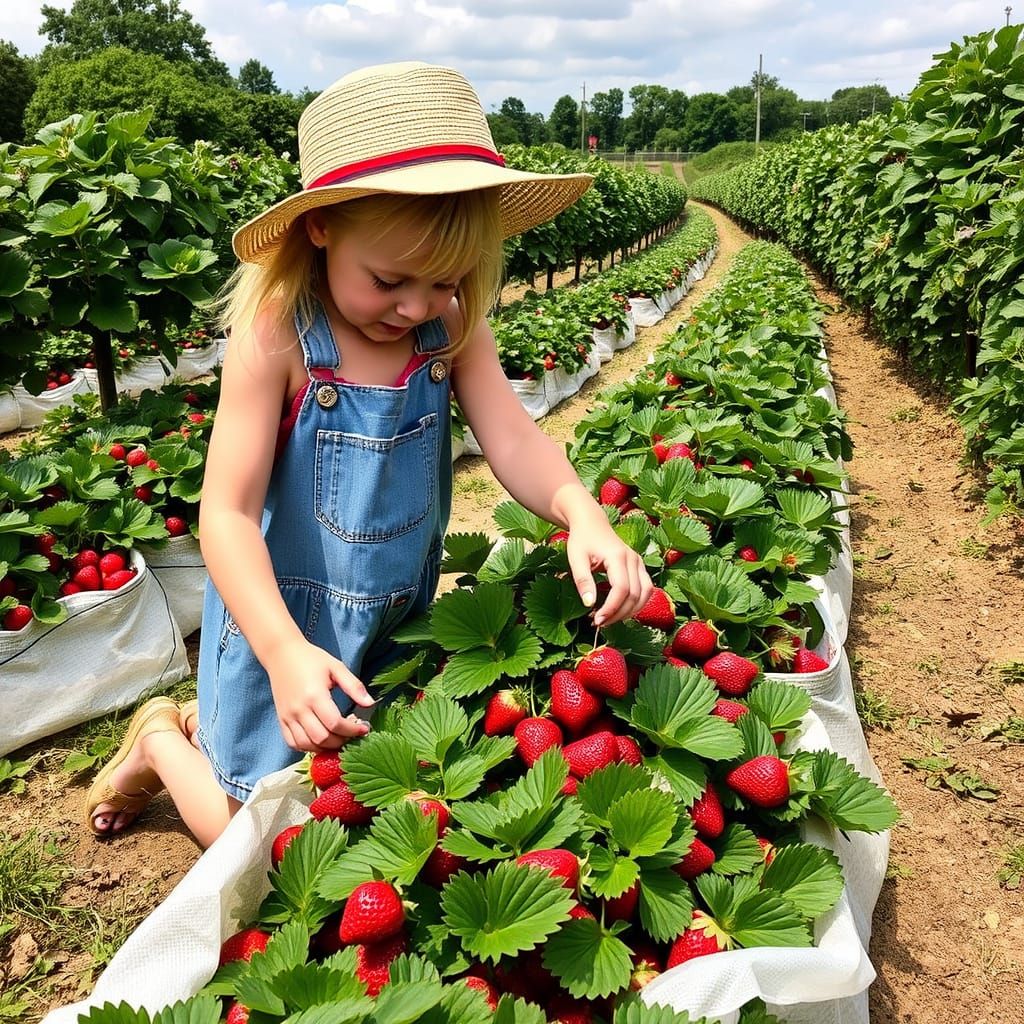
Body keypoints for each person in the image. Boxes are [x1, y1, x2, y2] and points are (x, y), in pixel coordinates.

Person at [85, 62, 653, 846]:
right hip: (277, 625)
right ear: (322, 228)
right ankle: (158, 738)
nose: (418, 306)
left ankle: (193, 732)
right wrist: (283, 652)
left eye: (449, 281)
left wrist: (580, 510)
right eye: (390, 280)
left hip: (393, 623)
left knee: (360, 815)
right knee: (249, 834)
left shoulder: (450, 331)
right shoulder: (280, 338)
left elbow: (514, 436)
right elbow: (225, 513)